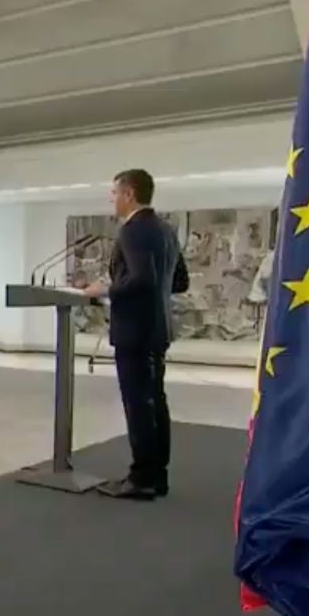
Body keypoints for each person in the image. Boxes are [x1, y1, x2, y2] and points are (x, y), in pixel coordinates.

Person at [81, 169, 189, 500]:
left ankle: (141, 477)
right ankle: (157, 475)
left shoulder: (132, 230)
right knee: (155, 401)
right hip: (158, 328)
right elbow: (179, 281)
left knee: (138, 404)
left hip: (135, 330)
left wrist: (106, 289)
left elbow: (142, 279)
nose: (111, 199)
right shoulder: (165, 230)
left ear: (129, 194)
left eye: (114, 192)